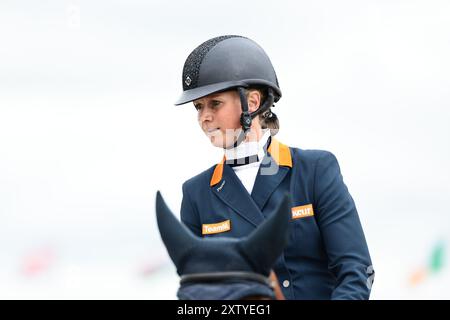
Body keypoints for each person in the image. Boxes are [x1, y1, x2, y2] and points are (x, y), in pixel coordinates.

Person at [174, 35, 374, 300]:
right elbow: (196, 290)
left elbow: (356, 271)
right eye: (198, 107)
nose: (204, 117)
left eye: (215, 104)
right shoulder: (197, 194)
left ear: (252, 103)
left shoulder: (315, 170)